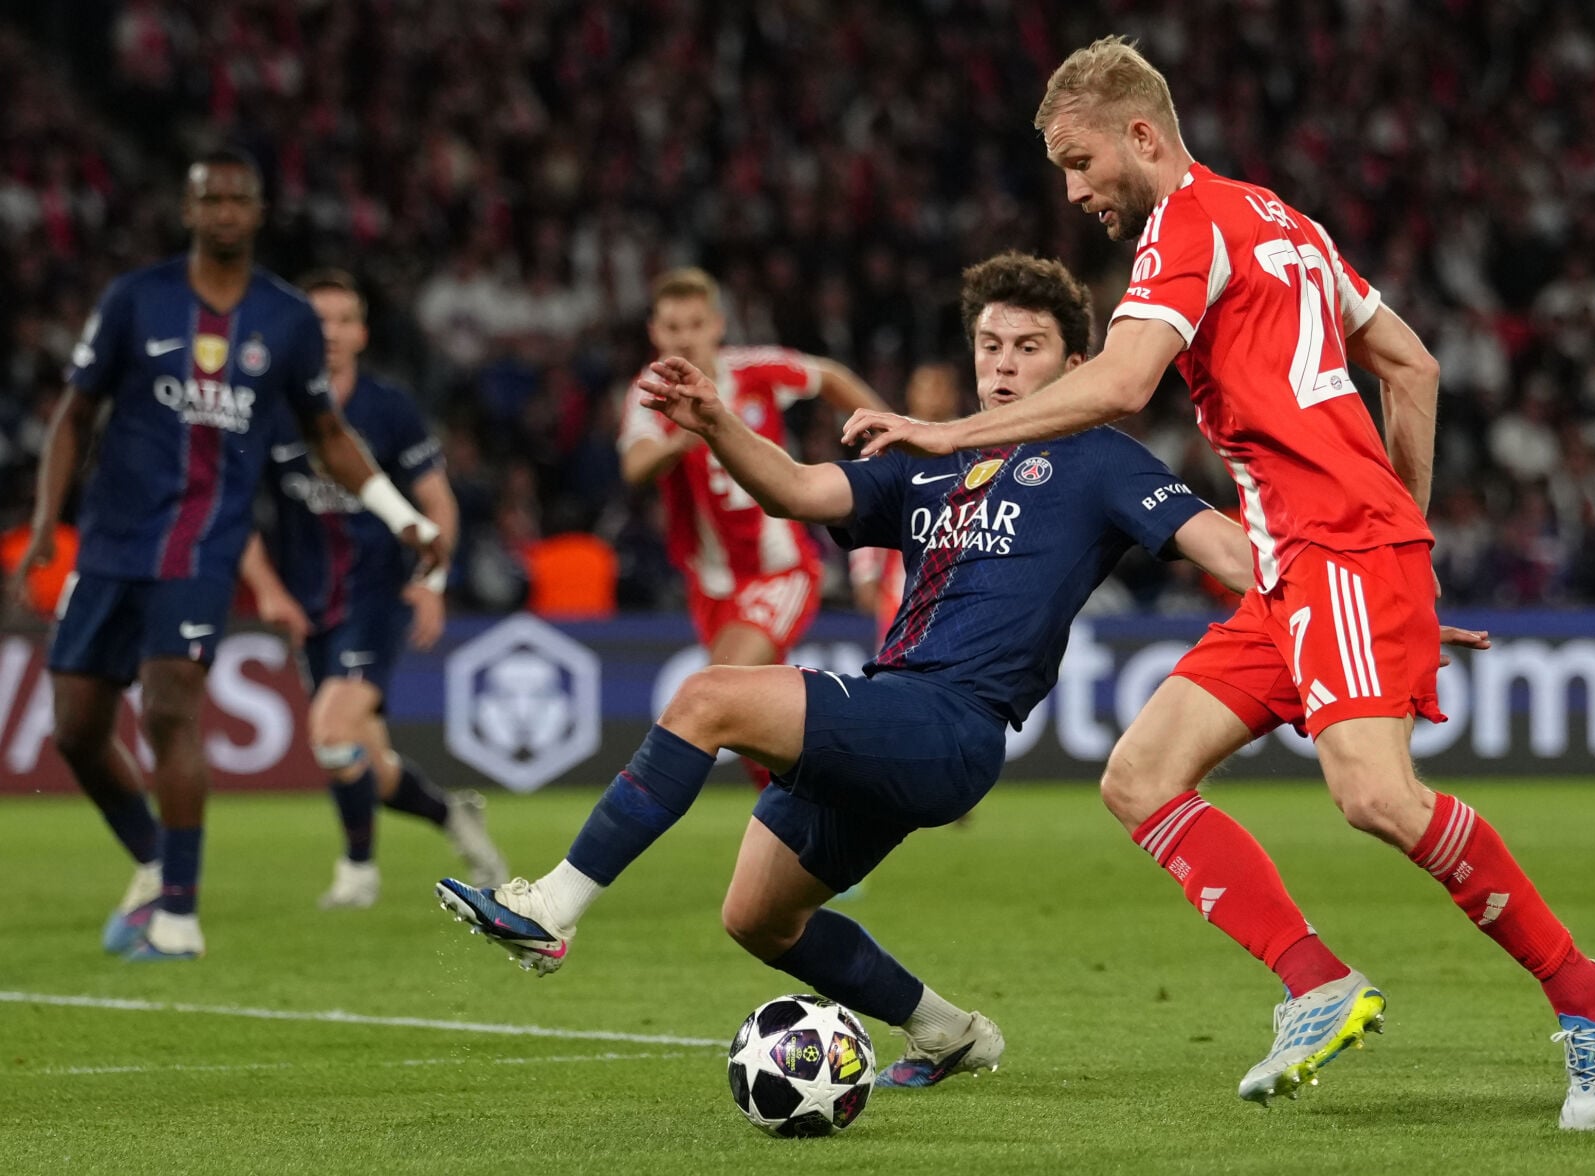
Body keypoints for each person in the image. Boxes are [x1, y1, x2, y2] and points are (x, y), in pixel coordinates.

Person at [435, 253, 1486, 1088]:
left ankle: (551, 908)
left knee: (706, 698)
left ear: (1073, 363)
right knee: (756, 918)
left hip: (952, 725)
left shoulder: (1101, 458)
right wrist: (715, 425)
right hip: (894, 710)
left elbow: (1229, 551)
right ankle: (950, 1032)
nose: (1002, 363)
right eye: (989, 344)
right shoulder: (933, 455)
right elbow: (800, 492)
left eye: (1028, 347)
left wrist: (1368, 603)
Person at [840, 38, 1595, 1130]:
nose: (1072, 193)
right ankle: (1316, 984)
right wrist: (1400, 545)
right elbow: (1411, 366)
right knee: (1140, 775)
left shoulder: (1186, 226)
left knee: (1373, 796)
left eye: (1079, 163)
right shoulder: (1279, 218)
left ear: (1140, 135)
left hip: (1334, 548)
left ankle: (1587, 994)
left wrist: (944, 432)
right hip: (1299, 565)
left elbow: (1122, 383)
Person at [7, 150, 444, 961]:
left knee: (169, 709)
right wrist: (44, 521)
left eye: (239, 198)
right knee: (75, 728)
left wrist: (400, 516)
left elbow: (326, 434)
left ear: (259, 211)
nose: (225, 212)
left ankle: (179, 917)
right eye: (211, 198)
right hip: (111, 543)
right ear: (189, 209)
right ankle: (152, 862)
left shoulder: (286, 319)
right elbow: (74, 412)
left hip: (203, 548)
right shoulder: (136, 299)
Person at [237, 269, 507, 910]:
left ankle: (357, 871)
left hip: (377, 597)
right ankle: (450, 813)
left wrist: (432, 582)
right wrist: (268, 590)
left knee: (331, 730)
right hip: (311, 603)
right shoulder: (270, 411)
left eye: (343, 320)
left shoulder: (390, 408)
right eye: (317, 321)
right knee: (369, 763)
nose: (330, 333)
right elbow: (234, 510)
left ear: (362, 333)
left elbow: (438, 502)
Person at [618, 268, 889, 787]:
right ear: (654, 332)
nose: (684, 338)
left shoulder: (754, 371)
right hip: (712, 586)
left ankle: (624, 815)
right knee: (755, 736)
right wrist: (682, 438)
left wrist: (891, 431)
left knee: (716, 691)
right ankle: (835, 804)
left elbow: (829, 376)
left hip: (780, 570)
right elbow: (635, 467)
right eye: (672, 327)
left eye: (695, 324)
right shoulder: (649, 394)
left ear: (717, 325)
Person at [848, 363, 962, 645]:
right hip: (902, 586)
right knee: (896, 660)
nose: (934, 395)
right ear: (912, 393)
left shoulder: (974, 444)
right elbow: (866, 509)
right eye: (926, 387)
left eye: (941, 387)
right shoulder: (888, 447)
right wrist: (865, 573)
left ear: (954, 395)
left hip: (961, 579)